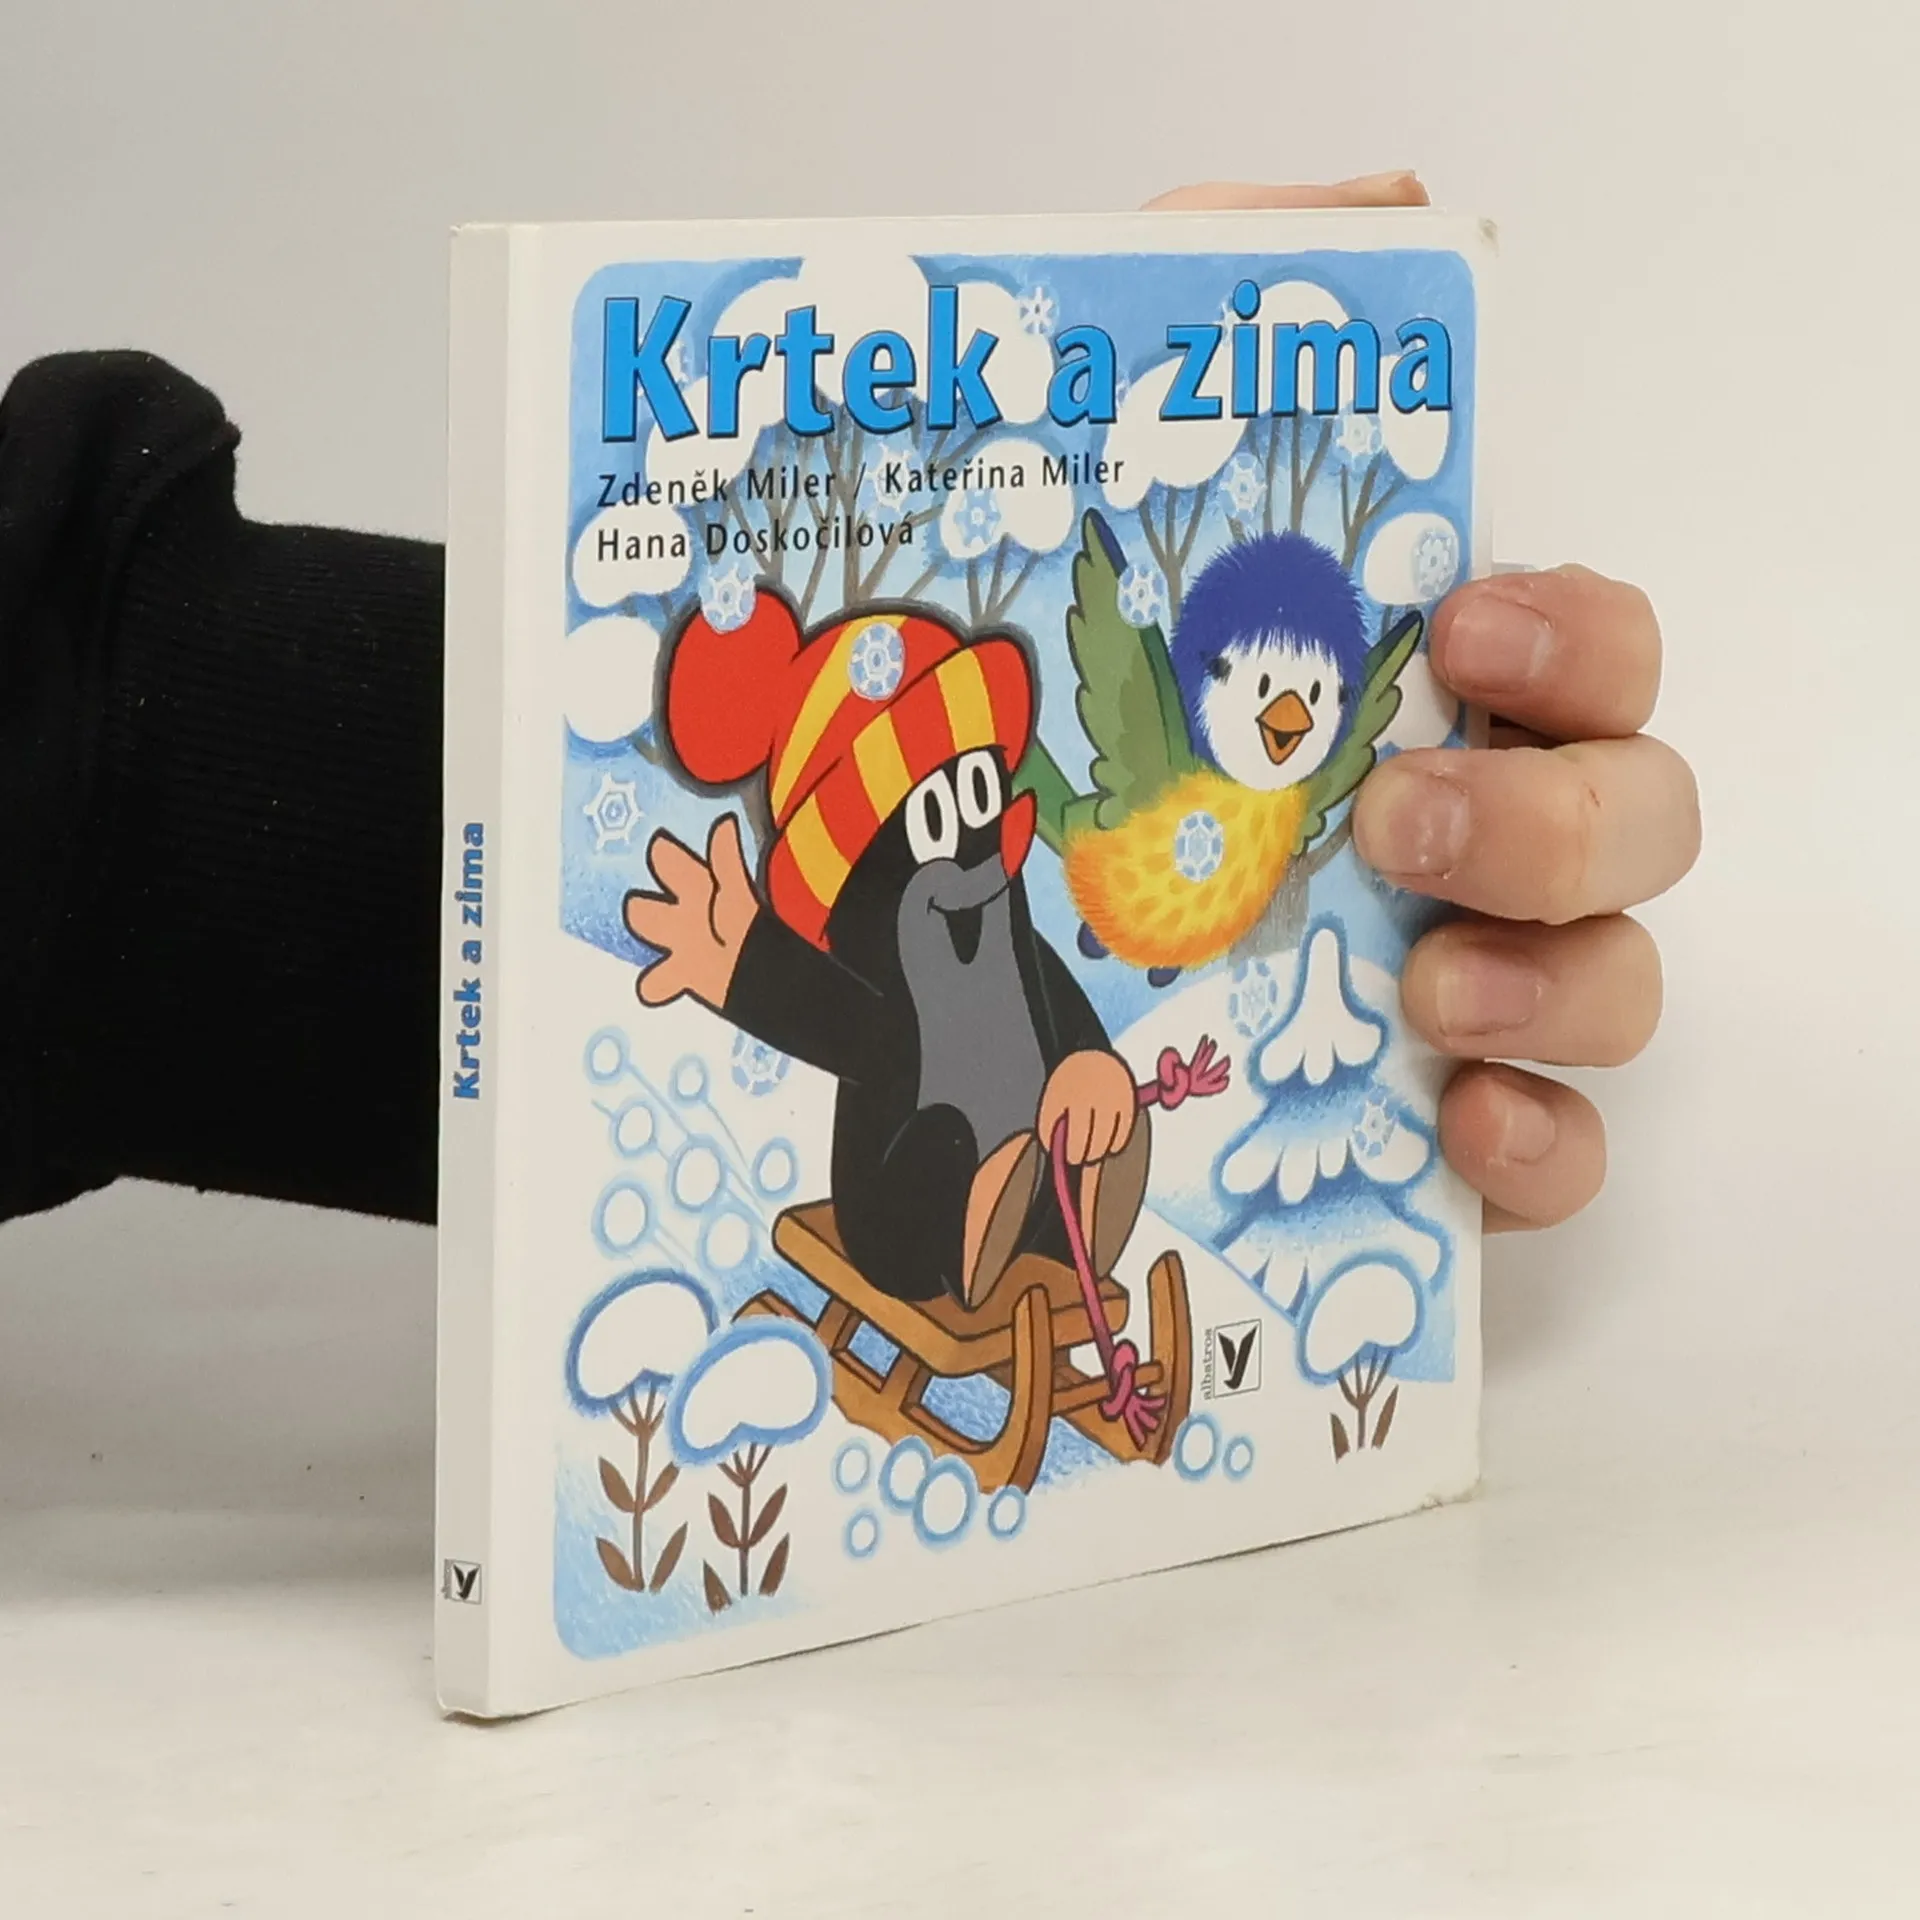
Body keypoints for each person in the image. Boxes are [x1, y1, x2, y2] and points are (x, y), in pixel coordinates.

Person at [0, 172, 1699, 1244]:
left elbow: (1059, 1000)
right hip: (910, 1178)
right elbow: (832, 1020)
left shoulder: (1003, 911)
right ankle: (975, 1215)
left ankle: (1056, 1186)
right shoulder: (884, 966)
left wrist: (1091, 1075)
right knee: (924, 1143)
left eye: (973, 791)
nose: (975, 829)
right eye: (936, 807)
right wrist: (729, 953)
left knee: (1070, 1093)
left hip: (1029, 1146)